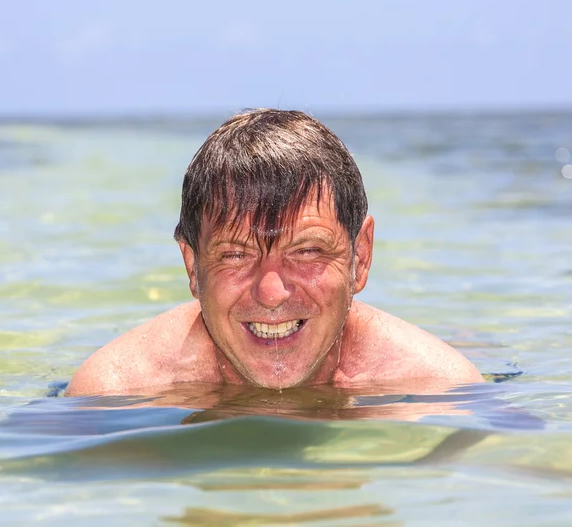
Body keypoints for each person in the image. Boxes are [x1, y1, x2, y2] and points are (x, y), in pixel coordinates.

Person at [66, 109, 483, 396]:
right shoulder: (112, 392)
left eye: (307, 251)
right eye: (235, 255)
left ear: (360, 257)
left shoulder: (439, 390)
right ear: (193, 266)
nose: (271, 293)